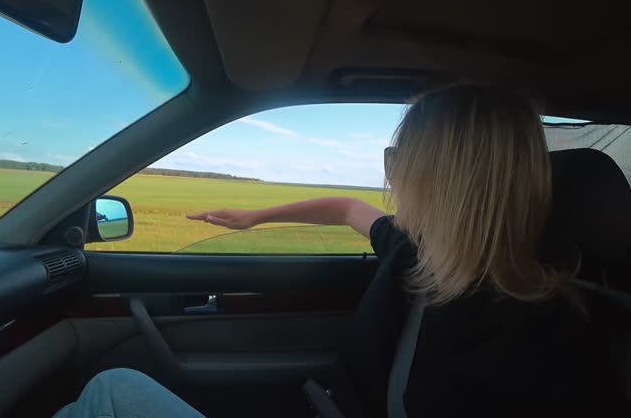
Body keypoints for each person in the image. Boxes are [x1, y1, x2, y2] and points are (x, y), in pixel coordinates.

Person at [57, 85, 592, 417]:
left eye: (398, 155)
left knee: (111, 394)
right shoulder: (417, 254)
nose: (391, 169)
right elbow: (345, 207)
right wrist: (253, 218)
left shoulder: (531, 336)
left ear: (445, 179)